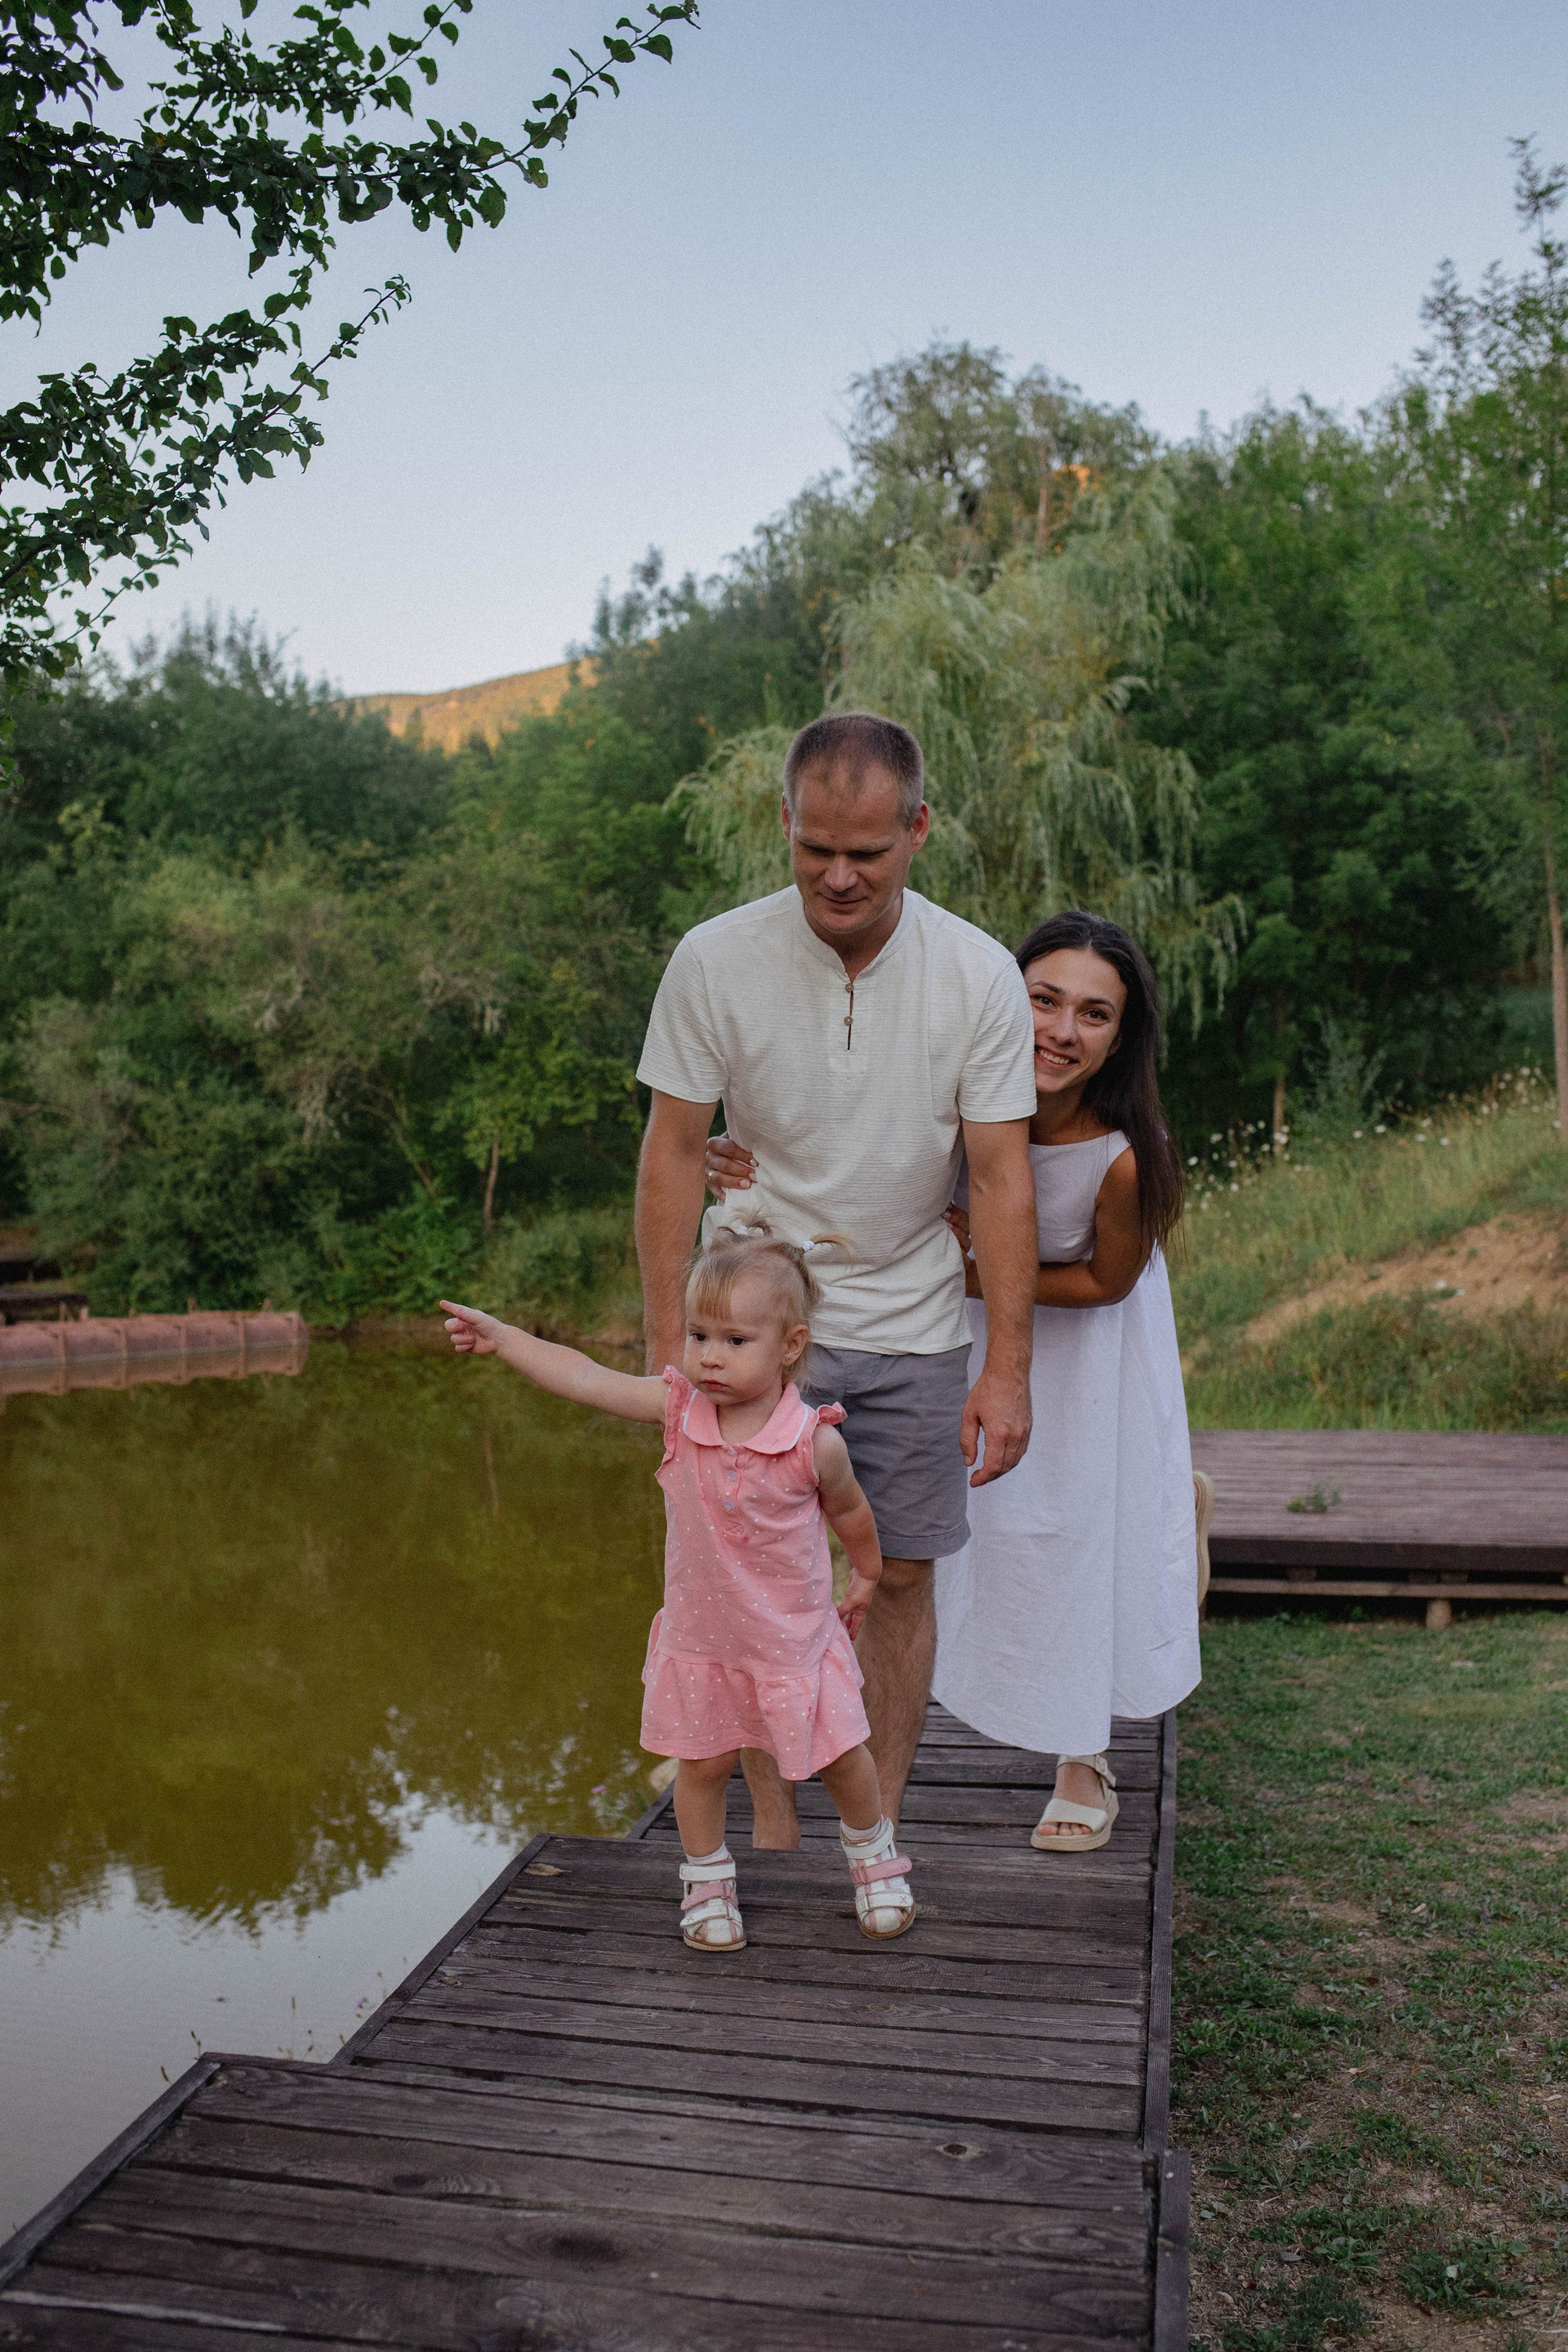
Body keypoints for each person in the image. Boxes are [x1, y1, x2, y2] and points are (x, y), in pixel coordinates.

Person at [637, 710, 1040, 1846]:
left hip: (914, 1320)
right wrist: (669, 1347)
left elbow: (1001, 1178)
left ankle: (879, 1833)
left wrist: (1007, 1370)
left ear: (919, 829)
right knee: (750, 1594)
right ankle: (774, 1836)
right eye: (816, 848)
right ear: (785, 822)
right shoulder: (714, 958)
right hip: (752, 1320)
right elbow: (672, 1151)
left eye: (867, 850)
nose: (840, 875)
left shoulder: (978, 974)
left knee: (901, 1576)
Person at [439, 1229, 916, 1950]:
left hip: (791, 1644)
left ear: (790, 1347)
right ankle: (707, 1880)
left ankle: (874, 1860)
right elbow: (586, 1377)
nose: (710, 1356)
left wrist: (868, 1572)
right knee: (703, 1767)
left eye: (735, 1340)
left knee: (844, 1758)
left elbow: (850, 1511)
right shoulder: (679, 1413)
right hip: (704, 1643)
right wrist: (505, 1339)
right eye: (699, 1336)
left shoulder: (812, 1442)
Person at [931, 909, 1202, 1850]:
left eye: (1094, 1013)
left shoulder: (1122, 1155)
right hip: (966, 1342)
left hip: (1087, 1356)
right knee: (976, 1529)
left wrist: (976, 1274)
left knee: (1080, 1536)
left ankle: (1084, 1758)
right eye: (1042, 999)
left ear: (1120, 1038)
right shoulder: (948, 1101)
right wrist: (735, 1159)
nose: (1060, 1030)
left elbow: (1104, 1281)